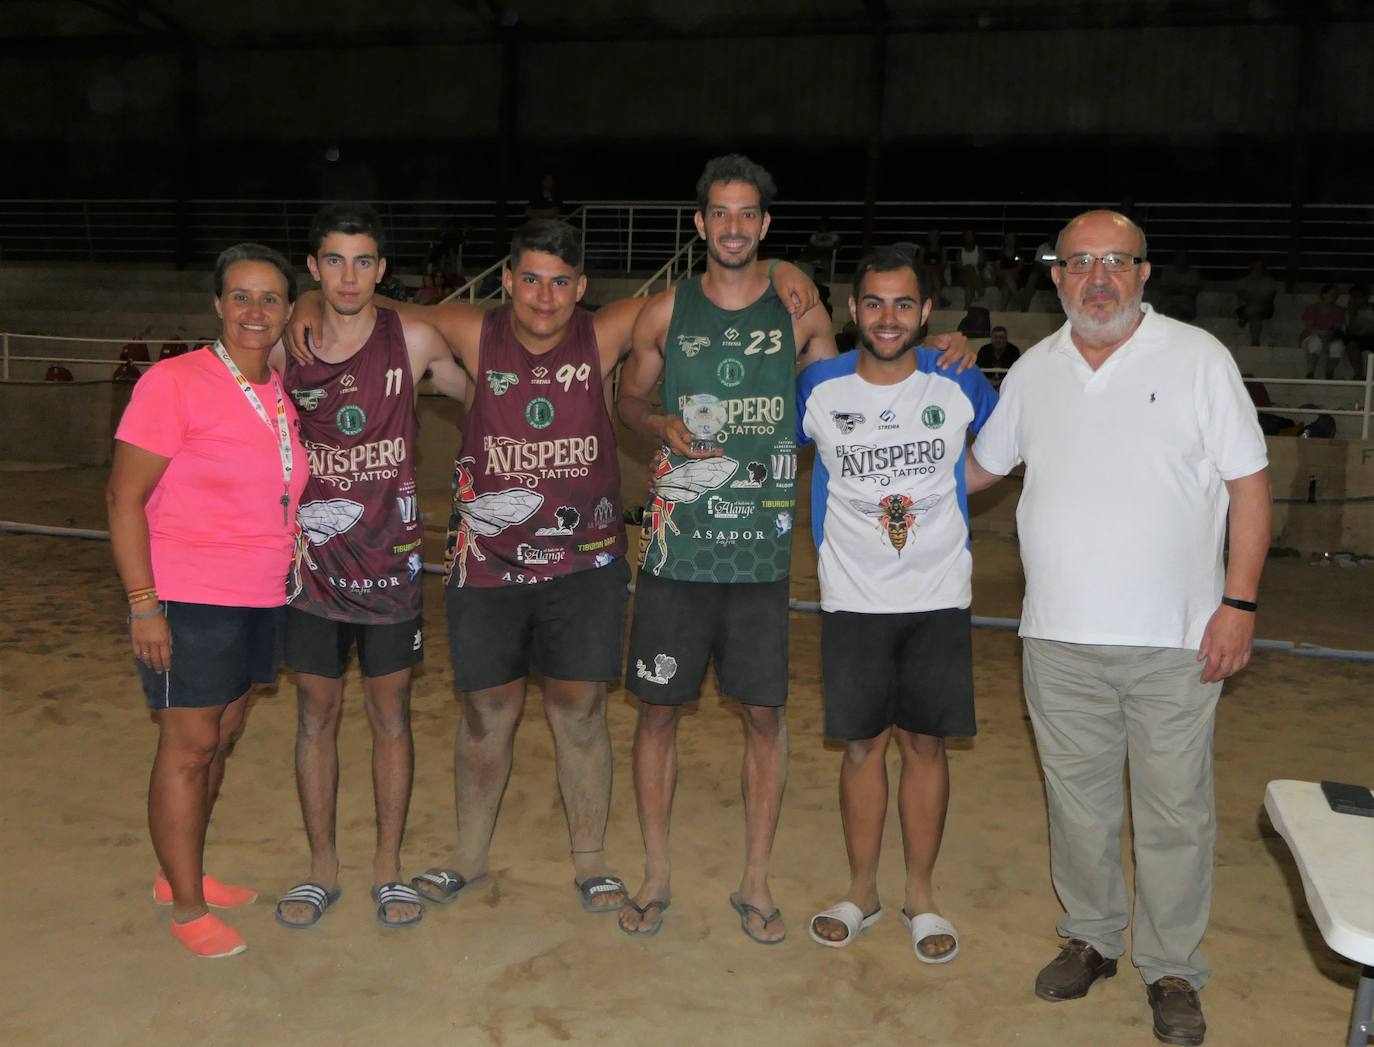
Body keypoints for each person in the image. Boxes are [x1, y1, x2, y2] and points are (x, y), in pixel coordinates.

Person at [287, 218, 822, 917]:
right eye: (531, 279)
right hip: (487, 563)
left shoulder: (605, 330)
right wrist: (304, 302)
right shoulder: (474, 331)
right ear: (506, 281)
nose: (544, 297)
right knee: (487, 711)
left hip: (585, 560)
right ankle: (468, 857)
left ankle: (591, 859)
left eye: (560, 282)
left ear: (582, 288)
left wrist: (783, 267)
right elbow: (368, 307)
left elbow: (710, 283)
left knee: (580, 708)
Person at [615, 154, 975, 943]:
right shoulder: (660, 315)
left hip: (760, 560)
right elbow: (629, 397)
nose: (734, 227)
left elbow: (862, 378)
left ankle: (755, 882)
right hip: (677, 555)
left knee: (765, 719)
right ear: (702, 223)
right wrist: (656, 425)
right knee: (656, 716)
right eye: (721, 213)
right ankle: (655, 874)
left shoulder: (801, 315)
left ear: (765, 226)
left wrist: (949, 345)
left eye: (750, 215)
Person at [967, 210, 1271, 1047]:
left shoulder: (1198, 359)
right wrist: (897, 421)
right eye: (1080, 263)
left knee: (1175, 811)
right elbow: (975, 471)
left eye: (1115, 262)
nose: (1097, 278)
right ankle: (1094, 938)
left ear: (1144, 273)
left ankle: (1173, 968)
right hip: (1058, 637)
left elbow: (1249, 485)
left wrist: (1238, 603)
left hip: (1177, 638)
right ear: (1056, 277)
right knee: (1079, 804)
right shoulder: (1032, 370)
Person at [107, 243, 308, 958]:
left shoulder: (277, 391)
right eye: (241, 297)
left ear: (289, 309)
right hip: (187, 596)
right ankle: (186, 907)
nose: (256, 311)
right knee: (189, 747)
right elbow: (123, 498)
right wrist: (143, 602)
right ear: (218, 305)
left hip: (258, 595)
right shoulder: (174, 381)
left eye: (271, 299)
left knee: (222, 735)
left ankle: (178, 871)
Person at [798, 248, 996, 962]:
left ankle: (920, 894)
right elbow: (760, 436)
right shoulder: (818, 386)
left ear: (925, 313)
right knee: (861, 746)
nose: (888, 317)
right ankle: (861, 891)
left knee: (925, 744)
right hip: (851, 597)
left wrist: (945, 491)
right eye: (875, 303)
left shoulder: (960, 381)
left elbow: (1006, 450)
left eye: (904, 304)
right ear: (854, 310)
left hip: (938, 595)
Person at [271, 203, 463, 931]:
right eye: (334, 261)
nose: (348, 275)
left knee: (392, 717)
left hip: (392, 574)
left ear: (382, 271)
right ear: (315, 268)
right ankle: (323, 868)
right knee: (315, 715)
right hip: (311, 572)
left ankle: (387, 867)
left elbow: (489, 394)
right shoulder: (289, 351)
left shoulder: (412, 339)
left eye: (363, 261)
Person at [1299, 284, 1346, 380]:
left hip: (1331, 336)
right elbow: (1309, 326)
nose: (1334, 297)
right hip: (1312, 334)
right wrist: (1321, 333)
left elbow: (1336, 328)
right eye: (1331, 294)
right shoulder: (1312, 308)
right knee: (1315, 343)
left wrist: (1327, 336)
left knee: (1337, 347)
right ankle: (1311, 372)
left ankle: (1329, 374)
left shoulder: (1339, 310)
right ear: (1323, 295)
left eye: (1336, 295)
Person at [1234, 259, 1278, 348]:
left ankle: (1244, 317)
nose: (1257, 269)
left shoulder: (1269, 281)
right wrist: (1255, 299)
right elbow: (1241, 295)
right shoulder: (1244, 280)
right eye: (1255, 266)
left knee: (1255, 308)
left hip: (1265, 308)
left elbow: (1268, 297)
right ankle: (1255, 341)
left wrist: (1253, 298)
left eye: (1260, 267)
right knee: (1254, 314)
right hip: (1247, 307)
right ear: (1251, 267)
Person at [1154, 249, 1202, 322]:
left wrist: (1174, 287)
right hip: (1168, 303)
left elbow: (1193, 292)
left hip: (1185, 304)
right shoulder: (1167, 271)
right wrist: (1183, 288)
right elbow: (1164, 290)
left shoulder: (1193, 272)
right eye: (1179, 258)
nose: (1181, 261)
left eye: (1183, 258)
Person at [1343, 283, 1373, 378]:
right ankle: (1360, 376)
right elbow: (1351, 331)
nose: (1355, 299)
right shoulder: (1350, 310)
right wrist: (1352, 313)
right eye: (1352, 296)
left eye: (1357, 296)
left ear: (1366, 297)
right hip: (1357, 338)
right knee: (1351, 344)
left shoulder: (1372, 308)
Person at [994, 232, 1024, 310]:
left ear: (1015, 240)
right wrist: (1008, 273)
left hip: (1015, 278)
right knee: (1008, 279)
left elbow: (1019, 267)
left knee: (1006, 286)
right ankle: (1018, 298)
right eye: (1008, 238)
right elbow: (997, 270)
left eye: (1012, 239)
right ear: (1005, 240)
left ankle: (1003, 310)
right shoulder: (1000, 253)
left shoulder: (1018, 253)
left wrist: (1008, 273)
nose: (1010, 241)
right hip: (1001, 278)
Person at [956, 229, 983, 310]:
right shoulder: (960, 252)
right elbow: (959, 267)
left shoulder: (979, 250)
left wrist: (972, 267)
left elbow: (981, 265)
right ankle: (979, 289)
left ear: (973, 237)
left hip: (976, 276)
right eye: (967, 236)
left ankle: (966, 308)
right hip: (962, 276)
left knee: (968, 284)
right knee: (969, 268)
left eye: (970, 236)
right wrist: (968, 267)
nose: (969, 238)